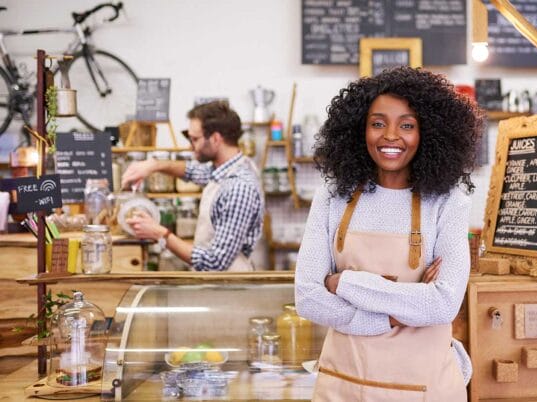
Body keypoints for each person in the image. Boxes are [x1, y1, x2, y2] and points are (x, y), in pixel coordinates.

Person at [295, 67, 484, 401]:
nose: (390, 136)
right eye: (378, 123)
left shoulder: (448, 202)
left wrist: (345, 284)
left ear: (428, 132)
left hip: (423, 389)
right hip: (344, 385)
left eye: (407, 125)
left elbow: (443, 305)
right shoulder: (332, 197)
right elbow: (308, 298)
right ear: (359, 129)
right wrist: (395, 316)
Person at [121, 101, 264, 271]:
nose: (190, 146)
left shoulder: (238, 187)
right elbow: (192, 171)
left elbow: (215, 262)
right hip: (215, 286)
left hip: (228, 289)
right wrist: (154, 165)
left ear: (216, 139)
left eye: (195, 139)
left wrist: (159, 233)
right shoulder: (225, 169)